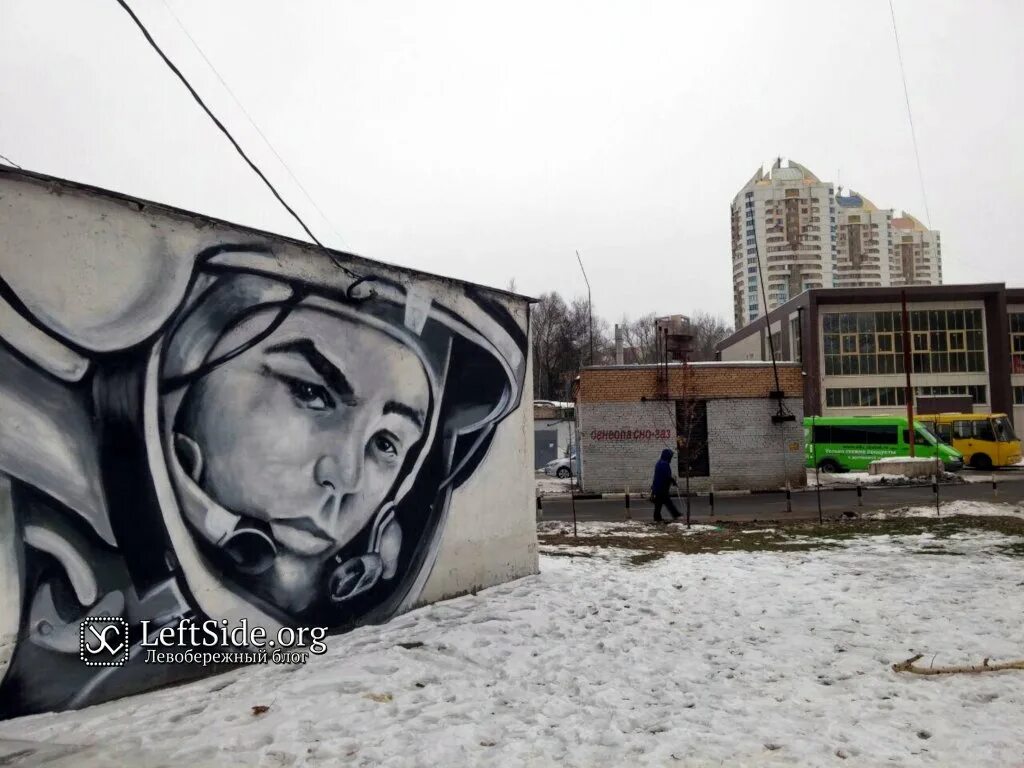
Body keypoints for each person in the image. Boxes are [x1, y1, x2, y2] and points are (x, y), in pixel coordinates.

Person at [650, 448, 681, 523]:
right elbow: (665, 476)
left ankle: (657, 517)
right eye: (670, 456)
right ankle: (675, 514)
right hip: (661, 487)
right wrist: (672, 480)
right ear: (667, 456)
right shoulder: (664, 464)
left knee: (659, 503)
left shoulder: (660, 462)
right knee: (666, 502)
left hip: (658, 486)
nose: (671, 458)